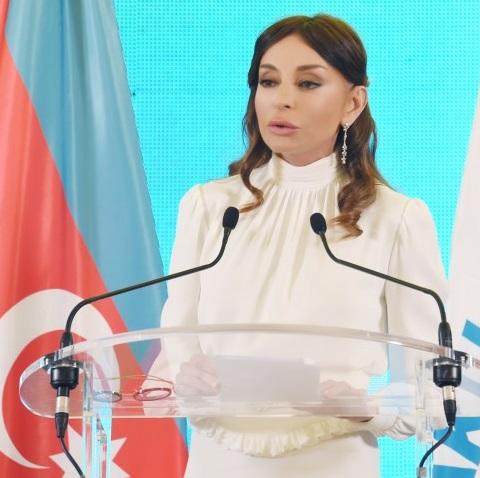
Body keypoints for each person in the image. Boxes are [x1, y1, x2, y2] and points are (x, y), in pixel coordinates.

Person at [159, 13, 448, 478]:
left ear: (353, 102)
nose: (283, 100)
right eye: (268, 82)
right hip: (219, 461)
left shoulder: (395, 219)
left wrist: (367, 408)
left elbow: (430, 385)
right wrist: (185, 376)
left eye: (308, 84)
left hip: (335, 460)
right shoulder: (209, 208)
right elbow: (176, 343)